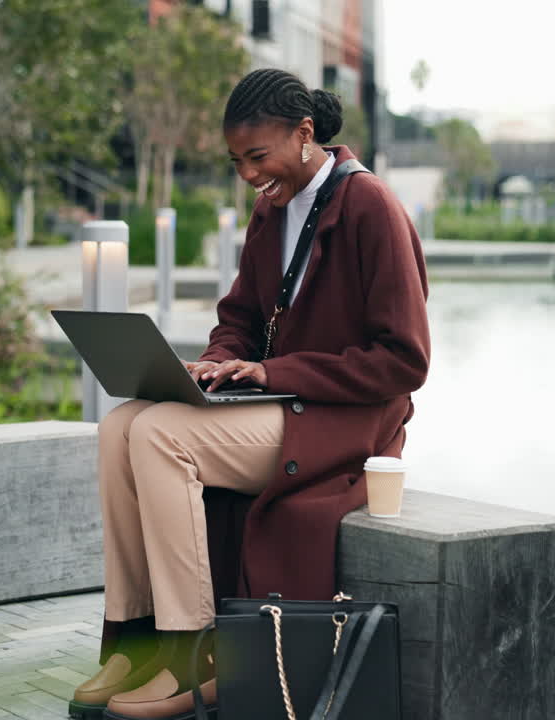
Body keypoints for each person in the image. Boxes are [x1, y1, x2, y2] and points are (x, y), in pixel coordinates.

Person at [70, 68, 431, 720]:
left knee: (159, 436)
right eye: (236, 160)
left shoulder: (371, 208)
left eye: (257, 157)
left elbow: (404, 359)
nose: (247, 175)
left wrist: (276, 373)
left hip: (344, 422)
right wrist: (213, 369)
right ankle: (136, 637)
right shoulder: (271, 211)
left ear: (303, 134)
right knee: (122, 422)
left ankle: (196, 649)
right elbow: (238, 321)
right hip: (283, 406)